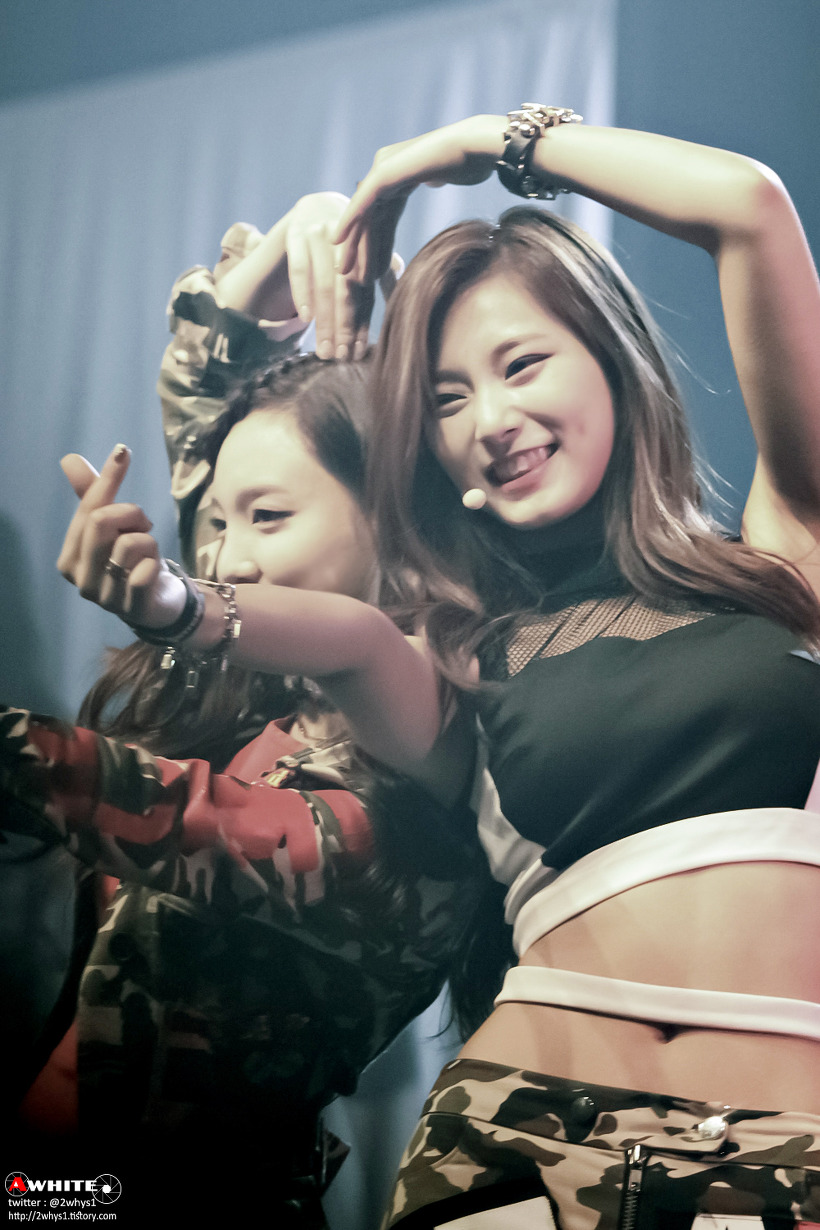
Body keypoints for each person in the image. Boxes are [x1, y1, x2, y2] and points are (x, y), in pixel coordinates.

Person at [54, 111, 820, 1227]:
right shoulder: (457, 645)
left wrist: (459, 152)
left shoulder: (784, 556)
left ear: (611, 359)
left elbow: (748, 210)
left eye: (522, 364)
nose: (492, 420)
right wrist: (176, 603)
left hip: (784, 1147)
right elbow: (347, 634)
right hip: (517, 1140)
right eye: (449, 399)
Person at [1, 195, 493, 1225]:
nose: (224, 555)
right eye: (216, 521)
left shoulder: (429, 786)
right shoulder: (252, 675)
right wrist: (315, 227)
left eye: (267, 516)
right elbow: (205, 369)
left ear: (395, 519)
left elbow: (197, 821)